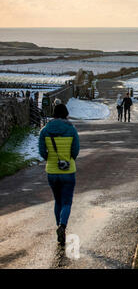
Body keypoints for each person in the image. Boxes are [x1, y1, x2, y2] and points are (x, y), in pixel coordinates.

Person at [38, 103, 80, 245]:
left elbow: (42, 151)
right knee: (67, 201)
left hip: (52, 170)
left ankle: (59, 227)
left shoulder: (45, 130)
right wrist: (69, 159)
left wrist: (50, 159)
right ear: (66, 114)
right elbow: (75, 150)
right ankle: (62, 226)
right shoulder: (71, 129)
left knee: (58, 201)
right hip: (68, 170)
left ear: (54, 114)